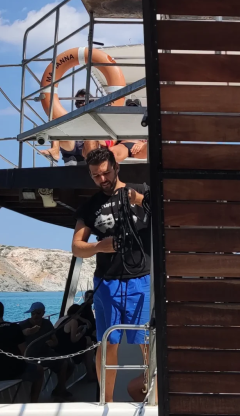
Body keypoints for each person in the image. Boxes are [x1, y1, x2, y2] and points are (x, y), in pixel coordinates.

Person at [72, 146, 150, 403]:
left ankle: (155, 398)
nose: (102, 179)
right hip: (107, 283)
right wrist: (98, 247)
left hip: (142, 280)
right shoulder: (90, 207)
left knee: (147, 342)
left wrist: (139, 200)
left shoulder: (143, 190)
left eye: (106, 173)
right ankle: (106, 402)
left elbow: (170, 216)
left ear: (117, 167)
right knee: (108, 344)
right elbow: (76, 246)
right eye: (96, 176)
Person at [19, 302, 72, 399]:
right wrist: (27, 332)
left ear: (43, 313)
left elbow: (54, 339)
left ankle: (59, 390)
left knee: (67, 363)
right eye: (33, 313)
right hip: (30, 356)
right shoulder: (23, 325)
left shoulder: (47, 323)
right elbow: (18, 337)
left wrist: (53, 343)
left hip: (46, 353)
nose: (35, 316)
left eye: (38, 313)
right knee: (38, 370)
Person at [39, 89, 91, 164]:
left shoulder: (95, 116)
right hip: (71, 147)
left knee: (91, 137)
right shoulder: (72, 117)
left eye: (84, 101)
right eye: (79, 102)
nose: (82, 104)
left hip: (87, 149)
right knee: (57, 121)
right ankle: (55, 151)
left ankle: (91, 160)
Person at [0, 301, 27, 382]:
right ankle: (34, 395)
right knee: (39, 370)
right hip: (17, 369)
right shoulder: (15, 327)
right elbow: (24, 351)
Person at [56, 303, 97, 382]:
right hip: (66, 347)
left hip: (59, 345)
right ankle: (90, 372)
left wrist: (78, 329)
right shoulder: (73, 321)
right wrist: (82, 332)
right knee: (88, 343)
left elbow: (65, 333)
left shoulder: (63, 318)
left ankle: (90, 369)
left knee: (87, 343)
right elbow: (73, 339)